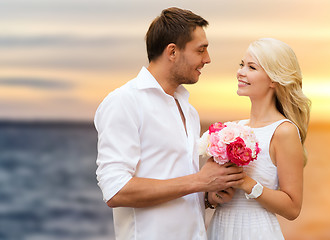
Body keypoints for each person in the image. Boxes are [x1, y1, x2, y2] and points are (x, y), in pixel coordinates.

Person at [94, 7, 244, 240]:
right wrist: (199, 181)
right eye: (200, 50)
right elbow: (116, 191)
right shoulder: (124, 101)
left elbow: (179, 182)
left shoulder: (189, 110)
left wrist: (208, 195)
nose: (207, 59)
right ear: (172, 51)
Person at [207, 38, 311, 239]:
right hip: (220, 228)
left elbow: (292, 208)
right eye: (241, 65)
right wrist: (216, 194)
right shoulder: (232, 129)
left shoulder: (284, 131)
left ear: (273, 79)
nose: (240, 72)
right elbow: (215, 194)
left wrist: (247, 183)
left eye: (251, 67)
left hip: (255, 231)